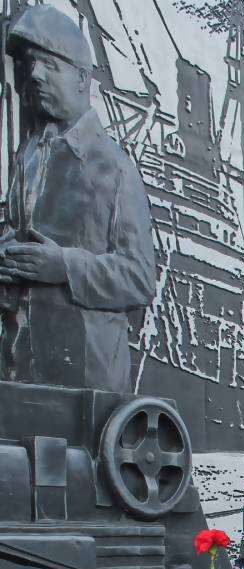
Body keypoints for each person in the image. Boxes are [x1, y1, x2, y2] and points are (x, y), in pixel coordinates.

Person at [0, 5, 156, 392]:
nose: (34, 74)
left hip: (85, 386)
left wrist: (63, 266)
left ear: (82, 77)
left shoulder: (114, 168)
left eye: (50, 64)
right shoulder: (29, 158)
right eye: (31, 63)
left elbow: (139, 278)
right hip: (19, 372)